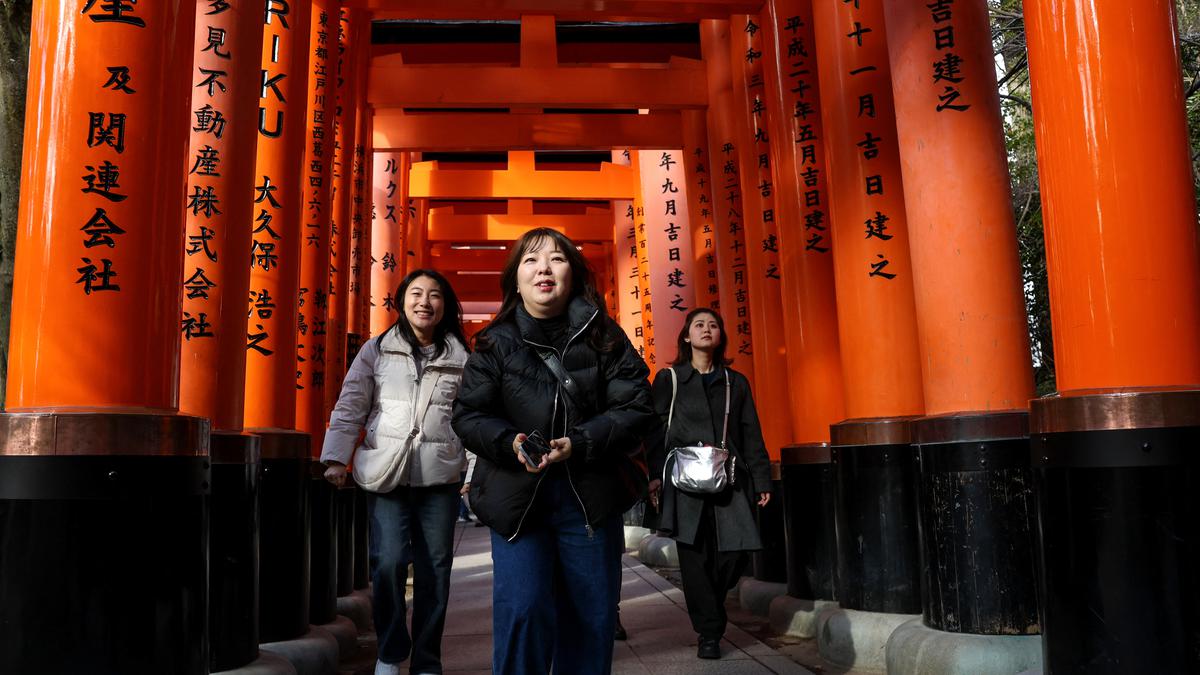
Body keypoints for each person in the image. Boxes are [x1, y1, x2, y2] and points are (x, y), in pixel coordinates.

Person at [451, 227, 657, 675]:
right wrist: (509, 442)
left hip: (588, 498)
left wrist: (580, 442)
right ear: (516, 278)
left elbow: (637, 404)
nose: (543, 268)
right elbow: (468, 415)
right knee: (523, 609)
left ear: (574, 273)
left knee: (590, 617)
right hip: (517, 499)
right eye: (530, 260)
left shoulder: (604, 335)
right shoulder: (495, 342)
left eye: (556, 259)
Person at [321, 269, 471, 675]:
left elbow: (472, 417)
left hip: (439, 478)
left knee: (435, 571)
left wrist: (473, 472)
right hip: (386, 472)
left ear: (445, 306)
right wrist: (336, 457)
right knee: (387, 563)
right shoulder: (376, 350)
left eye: (435, 295)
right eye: (416, 293)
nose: (425, 302)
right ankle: (390, 651)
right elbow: (351, 402)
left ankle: (427, 661)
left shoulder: (462, 358)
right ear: (402, 301)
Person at [647, 308, 772, 660]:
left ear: (720, 337)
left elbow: (750, 432)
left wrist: (761, 478)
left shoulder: (735, 382)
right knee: (694, 558)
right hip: (684, 483)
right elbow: (653, 433)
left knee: (735, 555)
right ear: (687, 336)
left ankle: (710, 608)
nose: (706, 329)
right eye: (699, 325)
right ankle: (709, 633)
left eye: (713, 325)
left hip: (729, 479)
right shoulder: (670, 379)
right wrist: (654, 476)